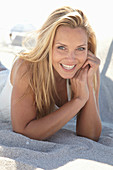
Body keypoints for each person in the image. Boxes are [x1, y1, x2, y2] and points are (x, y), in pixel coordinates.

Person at [0, 6, 102, 141]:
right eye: (61, 47)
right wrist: (78, 100)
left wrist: (88, 85)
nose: (71, 59)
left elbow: (91, 135)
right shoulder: (27, 68)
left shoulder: (89, 68)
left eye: (80, 48)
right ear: (47, 46)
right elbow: (24, 131)